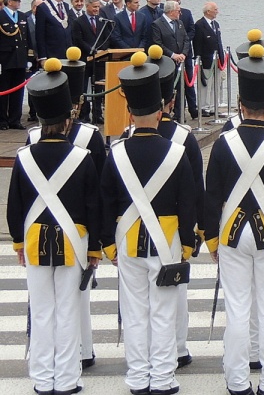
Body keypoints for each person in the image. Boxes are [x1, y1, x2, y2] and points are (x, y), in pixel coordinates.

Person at [204, 44, 264, 395]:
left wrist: (212, 241)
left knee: (238, 309)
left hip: (231, 233)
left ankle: (236, 381)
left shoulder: (223, 142)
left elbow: (212, 195)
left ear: (241, 104)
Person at [100, 52, 198, 395]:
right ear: (160, 112)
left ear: (130, 113)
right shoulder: (176, 152)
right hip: (167, 241)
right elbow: (189, 202)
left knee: (135, 312)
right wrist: (187, 244)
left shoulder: (116, 152)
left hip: (127, 242)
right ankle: (163, 378)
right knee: (163, 314)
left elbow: (106, 202)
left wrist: (108, 244)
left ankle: (138, 378)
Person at [8, 58, 101, 395]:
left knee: (42, 311)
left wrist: (19, 243)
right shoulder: (82, 157)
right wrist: (94, 250)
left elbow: (14, 206)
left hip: (34, 242)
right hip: (73, 242)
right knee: (68, 311)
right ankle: (66, 379)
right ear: (68, 118)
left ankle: (41, 378)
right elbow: (92, 206)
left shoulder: (23, 156)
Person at [121, 46, 206, 370]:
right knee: (173, 297)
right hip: (170, 230)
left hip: (131, 231)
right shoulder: (183, 138)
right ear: (169, 101)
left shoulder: (124, 137)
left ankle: (140, 363)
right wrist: (194, 233)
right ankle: (176, 349)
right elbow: (194, 191)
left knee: (136, 305)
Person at [30, 47, 108, 371]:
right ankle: (82, 350)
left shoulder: (33, 135)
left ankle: (51, 359)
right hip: (77, 227)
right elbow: (98, 190)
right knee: (78, 297)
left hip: (40, 226)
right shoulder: (91, 136)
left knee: (46, 303)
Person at [70, 0, 110, 124]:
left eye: (98, 7)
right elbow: (78, 40)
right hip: (85, 59)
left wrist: (102, 50)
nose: (97, 9)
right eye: (94, 7)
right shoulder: (78, 22)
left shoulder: (102, 21)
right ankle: (84, 115)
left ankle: (98, 114)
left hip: (99, 60)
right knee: (83, 88)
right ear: (87, 6)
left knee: (99, 88)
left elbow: (106, 37)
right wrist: (91, 50)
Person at [151, 0, 191, 121]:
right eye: (178, 11)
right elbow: (158, 43)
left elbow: (186, 40)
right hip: (166, 62)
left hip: (180, 62)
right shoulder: (157, 24)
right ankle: (165, 113)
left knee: (180, 88)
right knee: (167, 89)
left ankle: (179, 115)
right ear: (171, 11)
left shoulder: (179, 23)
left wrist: (183, 54)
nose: (180, 13)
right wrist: (173, 55)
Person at [166, 0, 197, 120]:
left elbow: (191, 31)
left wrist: (183, 47)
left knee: (189, 82)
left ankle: (193, 109)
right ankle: (176, 111)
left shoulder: (187, 13)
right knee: (175, 85)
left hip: (186, 54)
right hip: (172, 55)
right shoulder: (165, 15)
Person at [0, 0, 29, 130]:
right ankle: (2, 120)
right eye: (16, 0)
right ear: (9, 2)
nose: (19, 3)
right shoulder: (0, 16)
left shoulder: (22, 16)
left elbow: (26, 39)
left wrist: (28, 58)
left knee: (18, 91)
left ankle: (15, 119)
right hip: (5, 59)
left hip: (19, 59)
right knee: (4, 90)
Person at [194, 2, 225, 117]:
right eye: (215, 9)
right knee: (205, 84)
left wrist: (222, 59)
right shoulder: (199, 25)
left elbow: (219, 43)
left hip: (217, 60)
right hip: (205, 60)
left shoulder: (216, 24)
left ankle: (213, 106)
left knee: (215, 84)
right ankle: (203, 107)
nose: (217, 11)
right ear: (208, 11)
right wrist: (199, 60)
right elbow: (197, 44)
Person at [35, 0, 72, 64]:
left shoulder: (66, 6)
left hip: (67, 54)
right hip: (52, 54)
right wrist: (43, 57)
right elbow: (39, 34)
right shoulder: (42, 8)